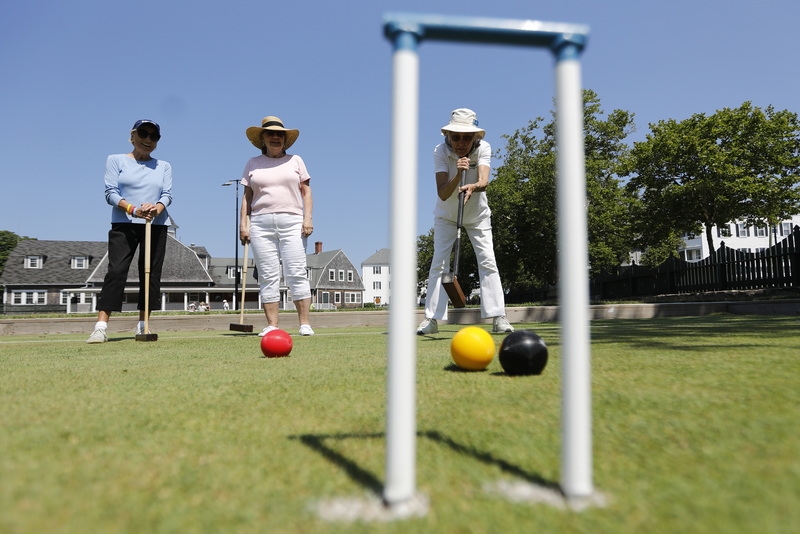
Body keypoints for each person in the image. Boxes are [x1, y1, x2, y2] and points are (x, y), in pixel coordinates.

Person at [417, 108, 514, 335]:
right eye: (456, 136)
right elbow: (442, 193)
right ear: (448, 136)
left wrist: (473, 186)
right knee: (439, 264)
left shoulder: (484, 149)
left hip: (478, 216)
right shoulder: (440, 151)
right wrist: (456, 175)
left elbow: (484, 180)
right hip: (446, 216)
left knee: (488, 261)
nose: (461, 142)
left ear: (475, 137)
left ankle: (498, 317)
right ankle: (431, 320)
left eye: (467, 137)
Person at [87, 120, 173, 343]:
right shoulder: (115, 160)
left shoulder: (164, 166)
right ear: (132, 136)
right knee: (116, 271)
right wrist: (133, 209)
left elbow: (167, 195)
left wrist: (156, 208)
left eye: (154, 136)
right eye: (143, 133)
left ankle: (143, 325)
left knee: (151, 274)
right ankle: (101, 326)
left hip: (155, 224)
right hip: (124, 223)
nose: (148, 139)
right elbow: (110, 193)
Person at [241, 116, 315, 337]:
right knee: (267, 275)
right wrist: (244, 224)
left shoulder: (296, 160)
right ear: (262, 138)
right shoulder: (252, 163)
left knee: (296, 271)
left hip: (292, 221)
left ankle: (304, 324)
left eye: (280, 134)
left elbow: (306, 192)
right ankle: (272, 325)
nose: (276, 137)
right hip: (261, 223)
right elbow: (247, 196)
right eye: (271, 134)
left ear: (285, 139)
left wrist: (308, 218)